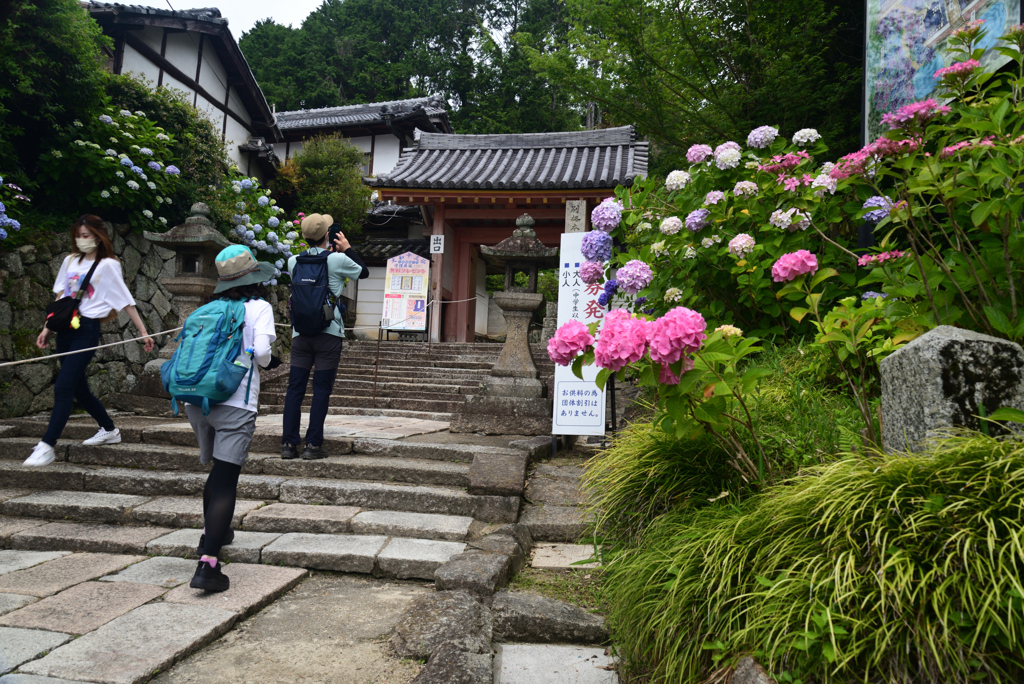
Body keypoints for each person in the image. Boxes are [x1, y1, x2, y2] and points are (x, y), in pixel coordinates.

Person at [24, 215, 155, 467]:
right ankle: (109, 430)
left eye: (86, 235)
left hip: (86, 330)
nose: (81, 240)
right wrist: (47, 328)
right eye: (78, 235)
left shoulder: (108, 265)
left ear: (97, 236)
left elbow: (125, 300)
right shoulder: (70, 260)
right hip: (65, 328)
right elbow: (61, 296)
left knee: (62, 387)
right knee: (77, 388)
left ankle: (47, 445)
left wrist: (143, 332)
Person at [187, 245, 277, 592]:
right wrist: (267, 362)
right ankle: (208, 565)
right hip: (236, 401)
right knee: (226, 477)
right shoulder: (259, 308)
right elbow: (265, 355)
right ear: (254, 278)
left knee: (216, 472)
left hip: (198, 401)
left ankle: (214, 533)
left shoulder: (209, 308)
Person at [280, 214, 368, 460]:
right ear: (327, 235)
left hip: (300, 335)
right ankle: (313, 446)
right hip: (328, 335)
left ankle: (288, 444)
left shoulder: (293, 261)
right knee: (321, 390)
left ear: (304, 236)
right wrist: (348, 248)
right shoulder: (337, 259)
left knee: (294, 389)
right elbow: (364, 272)